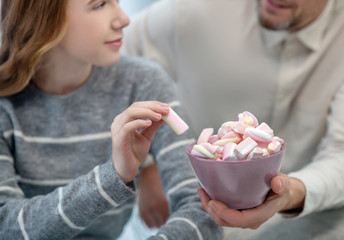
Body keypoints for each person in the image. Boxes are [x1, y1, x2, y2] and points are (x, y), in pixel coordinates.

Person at [122, 0, 344, 230]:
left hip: (303, 214)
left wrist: (288, 195)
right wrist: (150, 167)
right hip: (185, 201)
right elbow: (121, 56)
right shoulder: (197, 9)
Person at [0, 0, 223, 239]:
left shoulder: (144, 81)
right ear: (43, 19)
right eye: (99, 5)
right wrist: (112, 176)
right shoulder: (6, 105)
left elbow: (203, 206)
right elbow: (6, 227)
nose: (124, 19)